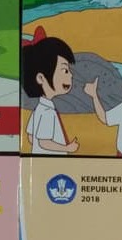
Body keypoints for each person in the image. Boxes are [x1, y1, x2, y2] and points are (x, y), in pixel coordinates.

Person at [21, 26, 79, 154]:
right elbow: (44, 142)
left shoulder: (39, 108)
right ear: (41, 78)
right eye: (65, 70)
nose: (70, 75)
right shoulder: (47, 112)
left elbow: (31, 136)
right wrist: (67, 148)